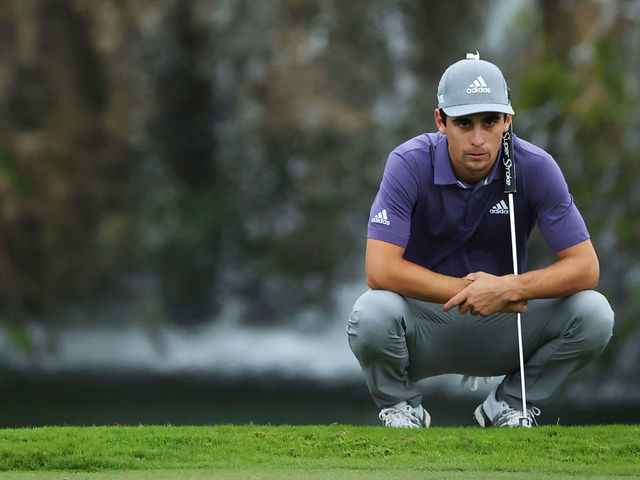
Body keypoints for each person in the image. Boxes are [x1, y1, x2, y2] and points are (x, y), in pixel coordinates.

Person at [346, 52, 614, 428]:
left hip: (507, 322)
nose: (477, 139)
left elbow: (586, 267)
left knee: (595, 313)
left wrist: (508, 288)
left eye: (490, 122)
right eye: (463, 123)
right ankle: (403, 408)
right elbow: (379, 269)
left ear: (508, 120)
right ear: (440, 121)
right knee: (370, 313)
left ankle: (508, 405)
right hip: (426, 321)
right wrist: (471, 291)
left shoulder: (535, 166)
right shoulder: (408, 162)